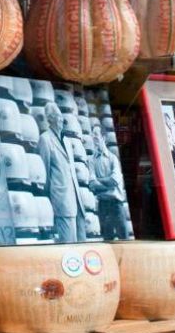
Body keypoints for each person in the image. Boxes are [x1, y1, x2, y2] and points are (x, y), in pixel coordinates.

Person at [37, 102, 85, 242]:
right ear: (49, 119)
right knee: (69, 242)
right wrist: (50, 199)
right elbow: (44, 172)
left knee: (82, 241)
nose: (60, 119)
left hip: (76, 199)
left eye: (60, 116)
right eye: (56, 116)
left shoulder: (67, 141)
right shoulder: (45, 140)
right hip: (61, 200)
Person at [88, 125, 124, 239]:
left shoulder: (113, 158)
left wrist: (99, 181)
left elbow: (114, 180)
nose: (93, 137)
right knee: (107, 242)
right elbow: (92, 184)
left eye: (96, 134)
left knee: (124, 239)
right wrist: (107, 185)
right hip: (103, 206)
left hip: (116, 205)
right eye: (92, 134)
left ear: (103, 137)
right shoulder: (91, 160)